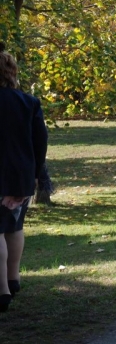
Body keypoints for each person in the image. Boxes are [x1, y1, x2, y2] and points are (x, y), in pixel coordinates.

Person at [0, 47, 48, 312]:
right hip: (20, 175)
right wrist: (34, 174)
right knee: (14, 227)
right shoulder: (29, 102)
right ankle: (12, 278)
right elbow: (40, 141)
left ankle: (2, 291)